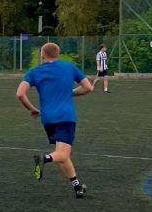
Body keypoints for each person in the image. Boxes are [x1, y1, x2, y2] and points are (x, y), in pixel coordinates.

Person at [17, 42, 94, 198]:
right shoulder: (68, 67)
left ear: (42, 56)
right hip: (66, 117)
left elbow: (20, 94)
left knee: (63, 154)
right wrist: (70, 92)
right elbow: (88, 87)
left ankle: (77, 186)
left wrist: (31, 109)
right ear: (57, 54)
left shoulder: (34, 71)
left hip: (47, 119)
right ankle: (44, 158)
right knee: (62, 154)